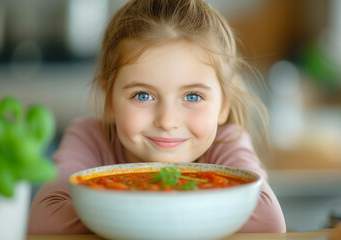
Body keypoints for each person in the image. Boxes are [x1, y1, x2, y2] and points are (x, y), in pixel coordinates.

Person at [28, 0, 286, 234]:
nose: (167, 121)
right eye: (143, 96)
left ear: (223, 107)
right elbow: (44, 221)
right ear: (109, 101)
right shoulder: (88, 136)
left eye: (193, 97)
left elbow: (268, 219)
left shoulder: (227, 141)